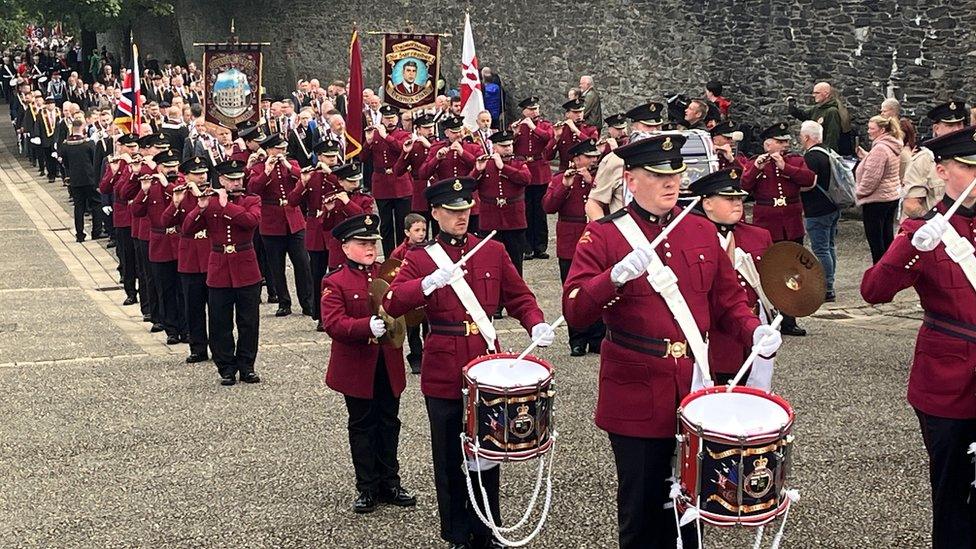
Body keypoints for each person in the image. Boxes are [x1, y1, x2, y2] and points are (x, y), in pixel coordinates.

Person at [561, 135, 781, 549]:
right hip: (636, 389)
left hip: (693, 386)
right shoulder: (603, 236)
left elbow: (728, 302)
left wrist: (754, 330)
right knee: (642, 511)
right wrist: (614, 277)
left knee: (692, 507)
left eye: (676, 174)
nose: (671, 183)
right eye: (658, 175)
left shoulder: (699, 230)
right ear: (630, 178)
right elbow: (575, 311)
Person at [384, 178, 554, 549]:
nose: (461, 217)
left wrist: (535, 321)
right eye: (452, 211)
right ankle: (457, 531)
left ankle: (487, 526)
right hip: (444, 362)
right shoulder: (419, 257)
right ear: (435, 214)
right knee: (448, 454)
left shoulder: (490, 250)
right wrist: (427, 283)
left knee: (488, 448)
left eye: (465, 210)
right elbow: (393, 302)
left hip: (485, 359)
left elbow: (519, 296)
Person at [860, 125, 976, 549]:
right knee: (953, 493)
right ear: (943, 171)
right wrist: (911, 246)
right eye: (968, 166)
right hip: (949, 381)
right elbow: (873, 290)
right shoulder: (923, 232)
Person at [321, 213, 416, 514]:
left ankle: (390, 482)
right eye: (362, 243)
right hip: (358, 365)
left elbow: (406, 307)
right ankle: (367, 487)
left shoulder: (388, 274)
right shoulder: (334, 280)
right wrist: (365, 327)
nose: (370, 248)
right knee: (362, 425)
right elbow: (333, 322)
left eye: (372, 242)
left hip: (387, 361)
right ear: (346, 248)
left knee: (389, 422)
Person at [182, 159, 263, 386]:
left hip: (246, 266)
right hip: (218, 267)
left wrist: (226, 206)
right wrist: (201, 207)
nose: (237, 183)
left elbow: (251, 221)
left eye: (239, 179)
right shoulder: (211, 201)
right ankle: (226, 367)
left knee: (248, 321)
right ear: (221, 180)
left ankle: (247, 366)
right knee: (219, 322)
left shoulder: (251, 199)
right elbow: (188, 230)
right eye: (232, 179)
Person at [690, 168, 775, 384]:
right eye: (728, 199)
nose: (737, 203)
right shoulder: (692, 238)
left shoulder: (759, 236)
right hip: (714, 336)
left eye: (739, 198)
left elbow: (770, 283)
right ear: (707, 203)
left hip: (751, 330)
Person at [741, 122, 814, 336]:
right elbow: (744, 186)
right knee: (768, 273)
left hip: (791, 225)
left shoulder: (795, 161)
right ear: (768, 145)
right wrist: (757, 168)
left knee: (792, 273)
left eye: (786, 141)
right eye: (779, 142)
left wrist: (785, 167)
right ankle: (767, 316)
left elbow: (809, 179)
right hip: (767, 225)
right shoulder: (757, 163)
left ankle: (789, 320)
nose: (785, 145)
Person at [543, 138, 605, 355]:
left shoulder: (600, 178)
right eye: (588, 157)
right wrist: (565, 186)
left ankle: (598, 337)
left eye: (595, 157)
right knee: (573, 291)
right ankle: (577, 339)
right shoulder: (561, 178)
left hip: (598, 240)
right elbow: (549, 207)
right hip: (570, 242)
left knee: (599, 288)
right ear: (577, 159)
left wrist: (591, 182)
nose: (593, 160)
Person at [247, 134, 314, 317]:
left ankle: (307, 302)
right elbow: (253, 189)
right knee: (276, 266)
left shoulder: (291, 163)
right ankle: (284, 302)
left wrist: (287, 165)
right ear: (269, 150)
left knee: (302, 263)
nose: (281, 152)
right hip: (271, 221)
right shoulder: (259, 167)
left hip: (294, 219)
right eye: (278, 149)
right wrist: (266, 171)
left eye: (283, 148)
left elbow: (304, 177)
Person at [131, 150, 188, 345]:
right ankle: (171, 329)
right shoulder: (152, 185)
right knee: (165, 289)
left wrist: (167, 186)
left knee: (183, 289)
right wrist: (144, 191)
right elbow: (137, 211)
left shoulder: (181, 183)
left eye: (174, 164)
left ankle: (186, 329)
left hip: (180, 241)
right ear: (159, 167)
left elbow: (183, 204)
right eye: (167, 165)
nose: (172, 168)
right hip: (160, 243)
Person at [161, 157, 214, 363]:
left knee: (217, 309)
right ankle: (198, 348)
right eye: (197, 174)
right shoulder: (180, 194)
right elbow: (165, 221)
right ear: (187, 175)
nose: (202, 177)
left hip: (210, 255)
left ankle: (218, 348)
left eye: (204, 173)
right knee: (193, 307)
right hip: (191, 257)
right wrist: (175, 202)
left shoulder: (213, 193)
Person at [290, 139, 342, 330]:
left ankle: (337, 311)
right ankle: (320, 315)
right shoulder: (311, 175)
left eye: (334, 156)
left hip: (335, 227)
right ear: (319, 157)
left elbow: (348, 188)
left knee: (337, 272)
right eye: (328, 157)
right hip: (315, 227)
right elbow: (293, 201)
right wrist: (302, 183)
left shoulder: (339, 173)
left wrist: (331, 173)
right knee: (317, 273)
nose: (332, 159)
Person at [586, 101, 665, 220]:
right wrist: (606, 233)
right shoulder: (616, 160)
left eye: (658, 127)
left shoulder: (670, 160)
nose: (654, 131)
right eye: (648, 126)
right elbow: (593, 203)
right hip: (626, 230)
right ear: (633, 127)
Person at [469, 130, 531, 277]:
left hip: (513, 219)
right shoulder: (486, 163)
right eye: (504, 146)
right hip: (491, 219)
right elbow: (470, 186)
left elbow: (526, 179)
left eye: (510, 145)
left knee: (515, 261)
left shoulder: (519, 162)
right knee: (491, 261)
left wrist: (503, 167)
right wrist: (477, 171)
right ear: (494, 147)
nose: (508, 148)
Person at [798, 120, 840, 302]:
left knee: (821, 249)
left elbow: (809, 183)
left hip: (817, 208)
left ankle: (826, 287)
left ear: (807, 137)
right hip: (832, 205)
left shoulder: (812, 157)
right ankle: (829, 283)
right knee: (829, 247)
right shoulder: (828, 151)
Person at [902, 101, 967, 218]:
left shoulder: (970, 158)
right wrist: (931, 220)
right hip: (939, 230)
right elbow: (910, 204)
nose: (957, 130)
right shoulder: (925, 159)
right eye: (950, 125)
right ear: (936, 129)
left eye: (960, 124)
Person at [364, 104, 414, 257]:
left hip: (400, 183)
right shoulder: (375, 135)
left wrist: (386, 136)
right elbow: (363, 158)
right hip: (381, 184)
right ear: (382, 119)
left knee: (402, 224)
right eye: (387, 118)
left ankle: (403, 256)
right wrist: (369, 142)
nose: (390, 121)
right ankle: (389, 258)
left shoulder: (403, 134)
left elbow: (401, 149)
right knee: (385, 226)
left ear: (397, 118)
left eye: (392, 118)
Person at [855, 115, 904, 263]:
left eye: (872, 128)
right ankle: (889, 272)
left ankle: (879, 274)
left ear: (882, 130)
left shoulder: (880, 148)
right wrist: (866, 156)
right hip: (890, 197)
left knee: (876, 243)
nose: (868, 131)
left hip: (877, 200)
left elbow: (872, 178)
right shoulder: (891, 144)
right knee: (887, 237)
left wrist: (858, 193)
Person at [512, 96, 555, 260]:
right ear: (524, 112)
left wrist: (532, 126)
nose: (535, 112)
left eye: (536, 109)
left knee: (540, 211)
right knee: (526, 211)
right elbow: (511, 146)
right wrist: (515, 134)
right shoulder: (518, 126)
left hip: (540, 172)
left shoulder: (544, 125)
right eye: (531, 109)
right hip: (524, 171)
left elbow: (547, 138)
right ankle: (527, 247)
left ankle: (540, 246)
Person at [390, 213, 429, 374]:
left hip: (427, 295)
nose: (421, 234)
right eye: (417, 230)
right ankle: (416, 356)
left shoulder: (430, 248)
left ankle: (428, 355)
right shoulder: (399, 252)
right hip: (410, 298)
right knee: (413, 329)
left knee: (429, 327)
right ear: (407, 232)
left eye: (424, 230)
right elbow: (392, 272)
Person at [320, 162, 377, 270]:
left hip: (358, 246)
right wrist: (328, 211)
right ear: (341, 182)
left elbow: (366, 220)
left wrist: (347, 203)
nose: (356, 183)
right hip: (338, 249)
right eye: (351, 181)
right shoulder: (333, 197)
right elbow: (326, 226)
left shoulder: (365, 199)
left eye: (357, 180)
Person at [60, 118, 104, 242]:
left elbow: (65, 162)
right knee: (96, 203)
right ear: (83, 127)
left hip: (75, 180)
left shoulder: (65, 145)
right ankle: (96, 231)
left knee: (78, 206)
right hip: (90, 179)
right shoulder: (88, 143)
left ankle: (80, 234)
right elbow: (94, 160)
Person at [787, 82, 843, 152]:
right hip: (815, 149)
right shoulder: (817, 109)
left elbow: (832, 136)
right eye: (814, 93)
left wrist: (828, 153)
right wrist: (793, 108)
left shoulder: (832, 111)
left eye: (817, 93)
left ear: (826, 94)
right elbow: (804, 116)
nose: (814, 95)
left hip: (823, 151)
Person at [549, 97, 599, 172]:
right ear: (567, 114)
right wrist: (556, 138)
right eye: (575, 112)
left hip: (585, 172)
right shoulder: (561, 129)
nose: (579, 115)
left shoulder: (590, 129)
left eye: (581, 112)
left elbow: (593, 146)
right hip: (565, 171)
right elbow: (548, 156)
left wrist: (576, 131)